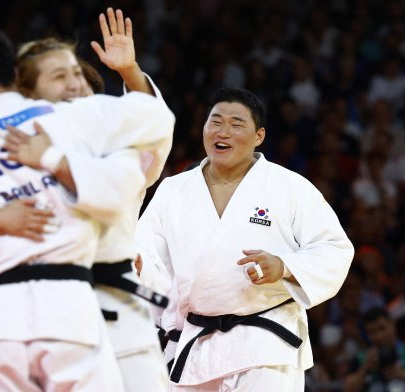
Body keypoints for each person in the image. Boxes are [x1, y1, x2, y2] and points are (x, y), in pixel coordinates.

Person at [0, 23, 174, 391]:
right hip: (60, 307)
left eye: (78, 77)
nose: (74, 85)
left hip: (105, 308)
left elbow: (154, 135)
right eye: (61, 76)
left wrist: (128, 72)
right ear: (25, 85)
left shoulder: (96, 130)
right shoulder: (66, 123)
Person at [135, 87, 354, 390]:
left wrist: (284, 266)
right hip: (195, 344)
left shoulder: (288, 187)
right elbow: (150, 259)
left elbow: (335, 249)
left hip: (265, 343)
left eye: (236, 125)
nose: (223, 132)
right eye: (215, 122)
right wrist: (134, 263)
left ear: (258, 136)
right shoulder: (174, 190)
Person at [344, 307, 405, 392]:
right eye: (372, 331)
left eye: (382, 328)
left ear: (392, 324)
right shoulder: (361, 358)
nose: (379, 336)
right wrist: (365, 369)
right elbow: (348, 389)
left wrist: (401, 375)